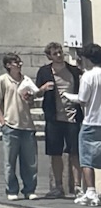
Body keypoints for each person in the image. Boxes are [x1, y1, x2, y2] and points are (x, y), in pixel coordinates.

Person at [36, 42, 81, 198]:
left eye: (60, 52)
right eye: (55, 53)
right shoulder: (44, 72)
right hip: (53, 118)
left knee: (75, 152)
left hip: (73, 117)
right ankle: (58, 186)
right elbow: (37, 93)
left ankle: (77, 186)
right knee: (55, 153)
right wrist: (42, 89)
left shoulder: (73, 71)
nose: (59, 55)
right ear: (49, 56)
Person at [0, 53, 39, 199]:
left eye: (19, 62)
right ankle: (12, 190)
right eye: (15, 62)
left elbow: (31, 103)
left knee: (30, 162)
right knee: (10, 162)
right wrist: (2, 122)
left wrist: (30, 98)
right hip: (10, 125)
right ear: (8, 65)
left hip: (27, 125)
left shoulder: (26, 80)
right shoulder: (3, 80)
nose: (19, 64)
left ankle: (29, 189)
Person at [62, 43, 101, 205]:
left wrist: (66, 95)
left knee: (87, 158)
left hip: (91, 121)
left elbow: (82, 99)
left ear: (87, 59)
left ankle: (91, 191)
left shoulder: (88, 76)